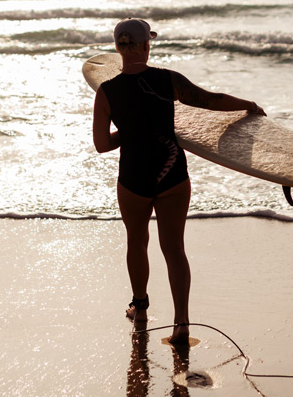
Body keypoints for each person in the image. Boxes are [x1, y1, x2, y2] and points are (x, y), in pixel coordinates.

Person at [93, 19, 265, 344]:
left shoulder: (107, 92)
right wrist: (248, 106)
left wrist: (128, 131)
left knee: (136, 242)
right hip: (172, 174)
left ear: (118, 48)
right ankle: (182, 324)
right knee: (174, 249)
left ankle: (140, 308)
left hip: (133, 178)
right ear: (147, 46)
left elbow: (102, 145)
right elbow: (210, 100)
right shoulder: (167, 80)